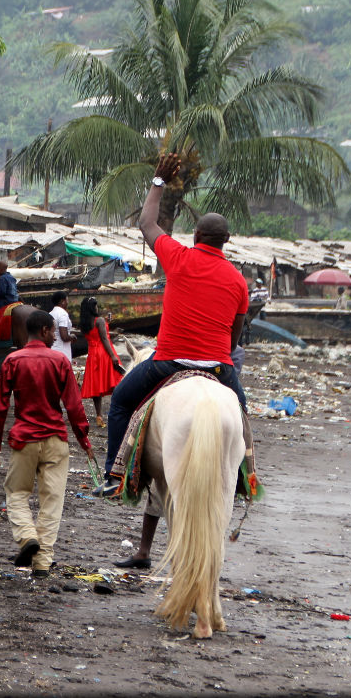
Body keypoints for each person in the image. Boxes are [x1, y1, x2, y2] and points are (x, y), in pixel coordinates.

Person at [96, 152, 250, 569]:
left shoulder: (178, 258)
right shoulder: (239, 281)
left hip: (167, 363)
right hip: (219, 368)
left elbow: (147, 223)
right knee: (242, 415)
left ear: (196, 235)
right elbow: (235, 337)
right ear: (225, 242)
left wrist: (159, 182)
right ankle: (242, 479)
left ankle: (114, 474)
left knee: (123, 402)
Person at [0, 309, 94, 579]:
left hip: (24, 439)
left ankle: (26, 537)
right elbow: (73, 405)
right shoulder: (60, 361)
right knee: (52, 501)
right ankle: (43, 563)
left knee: (16, 494)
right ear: (46, 331)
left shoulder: (13, 360)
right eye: (51, 333)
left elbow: (0, 405)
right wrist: (83, 438)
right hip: (55, 440)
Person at [77, 296, 124, 429]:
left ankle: (99, 415)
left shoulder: (84, 323)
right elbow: (104, 338)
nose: (97, 307)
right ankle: (118, 410)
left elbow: (95, 333)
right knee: (115, 381)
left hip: (92, 355)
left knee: (97, 385)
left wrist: (105, 322)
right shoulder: (100, 320)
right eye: (96, 305)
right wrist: (113, 356)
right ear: (93, 308)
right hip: (103, 353)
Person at [48, 291, 74, 361]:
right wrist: (72, 337)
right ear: (62, 301)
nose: (67, 303)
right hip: (62, 351)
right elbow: (64, 337)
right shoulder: (63, 314)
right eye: (67, 300)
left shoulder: (50, 313)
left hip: (52, 348)